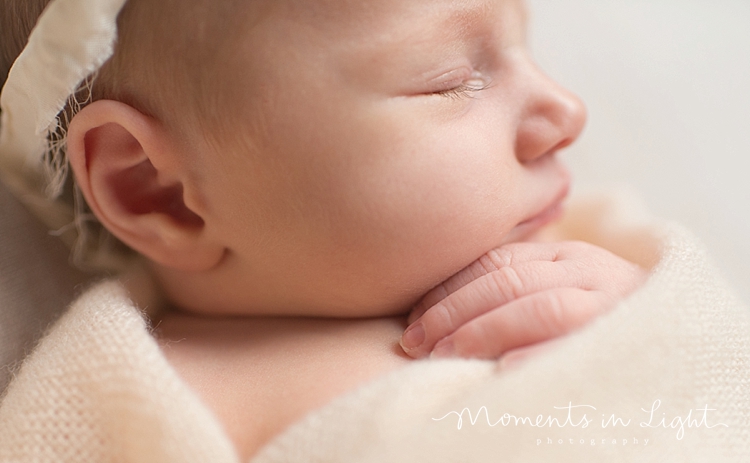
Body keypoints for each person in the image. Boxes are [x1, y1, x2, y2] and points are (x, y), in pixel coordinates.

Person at [0, 0, 646, 459]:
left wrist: (638, 325)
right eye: (450, 79)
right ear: (158, 191)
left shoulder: (598, 255)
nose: (566, 111)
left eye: (525, 46)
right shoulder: (127, 405)